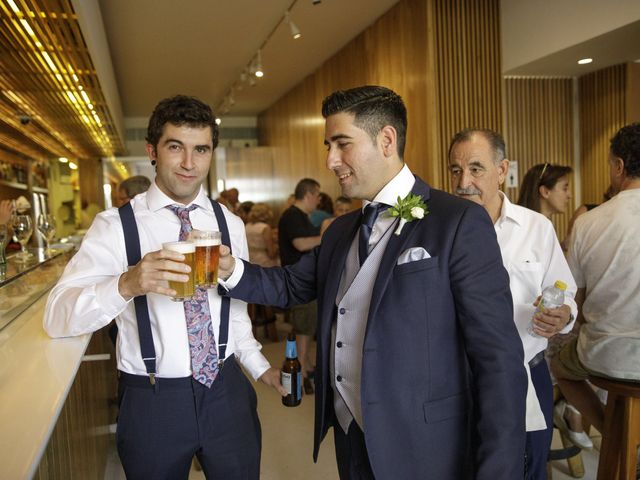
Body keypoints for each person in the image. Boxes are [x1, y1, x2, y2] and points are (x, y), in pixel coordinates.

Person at [218, 86, 527, 479]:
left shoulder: (458, 222)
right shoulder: (339, 231)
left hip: (427, 447)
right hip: (352, 438)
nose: (330, 160)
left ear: (386, 140)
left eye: (342, 144)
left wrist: (499, 470)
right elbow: (290, 285)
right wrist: (228, 269)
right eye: (328, 145)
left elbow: (497, 359)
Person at [44, 95, 284, 479]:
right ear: (152, 151)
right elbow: (56, 317)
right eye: (176, 147)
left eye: (201, 150)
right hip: (153, 399)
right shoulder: (115, 225)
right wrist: (126, 284)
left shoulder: (229, 223)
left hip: (226, 393)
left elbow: (232, 309)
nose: (190, 163)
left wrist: (257, 366)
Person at [448, 129, 578, 478]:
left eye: (476, 169)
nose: (464, 182)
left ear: (502, 170)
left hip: (526, 372)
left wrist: (562, 314)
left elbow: (563, 291)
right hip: (456, 376)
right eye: (456, 171)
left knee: (526, 466)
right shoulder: (439, 230)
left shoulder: (536, 228)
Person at [551, 122, 640, 437]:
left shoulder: (588, 222)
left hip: (605, 355)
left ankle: (613, 433)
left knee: (559, 367)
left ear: (618, 167)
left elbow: (576, 298)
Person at [517, 162, 593, 450]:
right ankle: (572, 411)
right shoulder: (529, 230)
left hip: (549, 325)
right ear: (544, 191)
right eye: (564, 188)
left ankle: (570, 411)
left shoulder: (547, 229)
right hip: (533, 336)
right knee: (590, 344)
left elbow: (567, 288)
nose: (570, 195)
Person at [278, 178, 322, 392]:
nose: (319, 200)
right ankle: (302, 369)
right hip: (298, 281)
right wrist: (327, 237)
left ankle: (307, 364)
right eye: (318, 195)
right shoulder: (292, 215)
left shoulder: (301, 216)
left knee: (308, 324)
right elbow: (301, 243)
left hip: (305, 280)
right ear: (309, 194)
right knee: (304, 326)